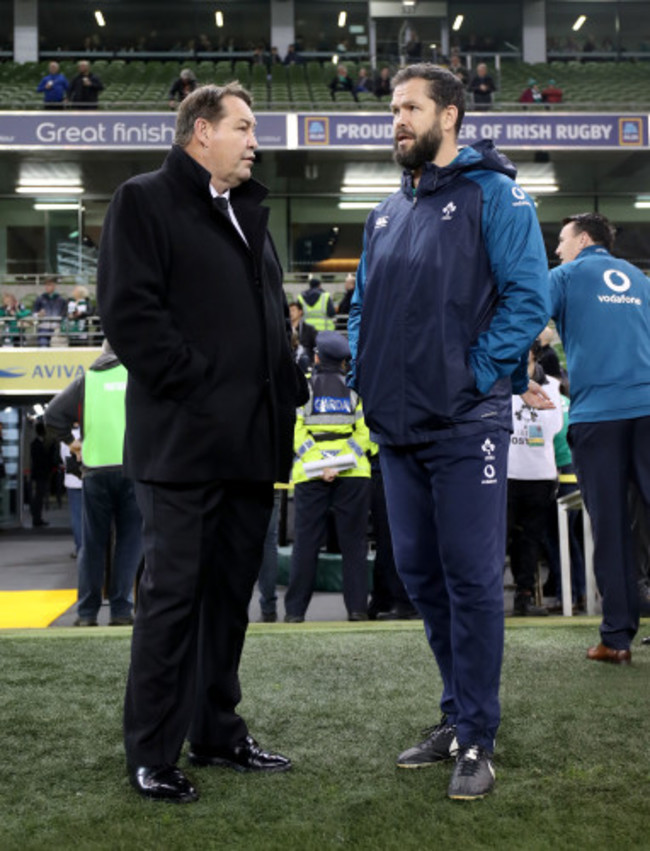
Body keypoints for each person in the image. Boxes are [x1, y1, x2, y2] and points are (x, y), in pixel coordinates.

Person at [96, 83, 307, 803]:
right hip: (184, 445)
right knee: (173, 599)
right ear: (201, 132)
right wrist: (200, 383)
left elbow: (265, 318)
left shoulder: (248, 212)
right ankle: (151, 752)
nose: (255, 141)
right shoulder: (144, 199)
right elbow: (131, 313)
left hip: (251, 446)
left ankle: (216, 732)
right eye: (244, 128)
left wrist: (290, 385)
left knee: (227, 599)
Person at [347, 63, 550, 801]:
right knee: (423, 577)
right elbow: (363, 307)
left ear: (451, 116)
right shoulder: (385, 213)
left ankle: (478, 736)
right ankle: (455, 710)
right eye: (393, 109)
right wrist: (369, 371)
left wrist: (471, 373)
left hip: (468, 426)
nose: (396, 120)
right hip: (398, 430)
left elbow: (530, 297)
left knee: (470, 580)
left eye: (410, 108)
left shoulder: (495, 195)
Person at [549, 212, 650, 665]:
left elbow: (524, 320)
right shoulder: (641, 280)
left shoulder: (566, 275)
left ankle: (617, 639)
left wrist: (515, 377)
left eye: (562, 239)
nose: (557, 249)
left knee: (610, 528)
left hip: (599, 417)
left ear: (583, 239)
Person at [44, 341, 143, 627]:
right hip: (131, 469)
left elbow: (52, 416)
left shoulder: (86, 380)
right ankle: (121, 610)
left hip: (95, 471)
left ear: (102, 353)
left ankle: (86, 614)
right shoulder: (137, 377)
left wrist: (73, 444)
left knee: (92, 544)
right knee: (129, 543)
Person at [284, 331, 372, 622]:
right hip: (354, 473)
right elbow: (367, 433)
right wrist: (341, 462)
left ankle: (295, 612)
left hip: (311, 475)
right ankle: (357, 609)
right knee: (354, 546)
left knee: (306, 545)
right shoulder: (355, 389)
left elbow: (296, 431)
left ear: (318, 357)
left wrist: (321, 464)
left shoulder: (305, 388)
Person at [507, 344, 563, 616]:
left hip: (540, 473)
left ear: (534, 353)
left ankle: (525, 596)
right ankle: (489, 596)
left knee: (531, 540)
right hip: (508, 472)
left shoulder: (551, 384)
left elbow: (556, 425)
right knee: (500, 538)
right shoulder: (503, 380)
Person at [32, 277, 67, 347]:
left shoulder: (61, 300)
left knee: (57, 348)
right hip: (43, 327)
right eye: (46, 285)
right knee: (43, 345)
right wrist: (38, 314)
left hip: (56, 327)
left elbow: (64, 313)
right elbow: (33, 313)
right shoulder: (40, 299)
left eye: (49, 285)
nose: (47, 287)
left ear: (54, 286)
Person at [289, 300, 318, 373]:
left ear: (300, 312)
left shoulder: (309, 329)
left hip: (306, 363)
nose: (290, 313)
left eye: (293, 310)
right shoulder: (285, 329)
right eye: (289, 311)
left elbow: (316, 345)